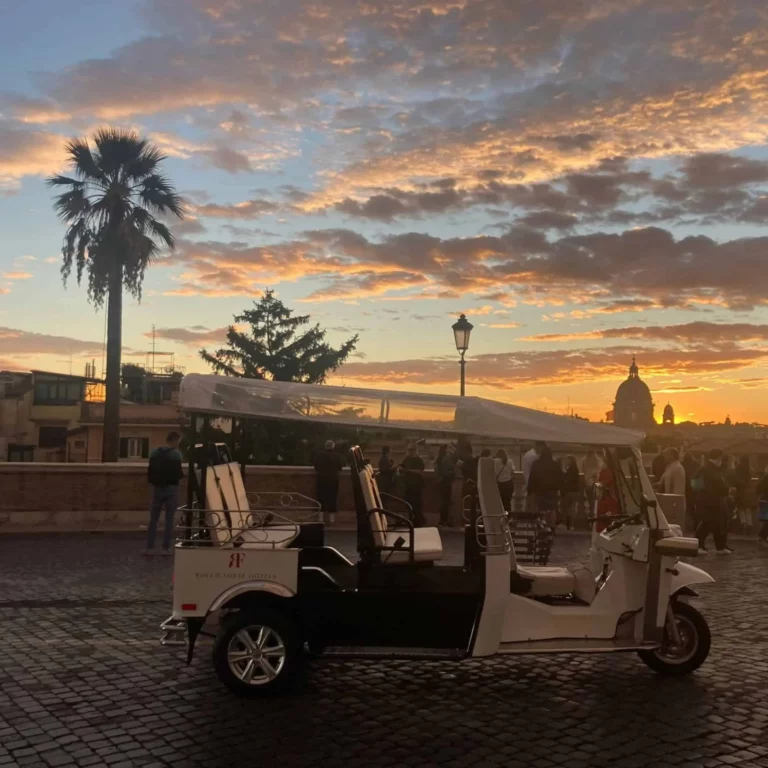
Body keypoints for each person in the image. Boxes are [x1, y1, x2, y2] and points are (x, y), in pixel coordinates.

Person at [145, 431, 184, 556]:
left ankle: (149, 548)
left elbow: (150, 470)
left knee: (153, 519)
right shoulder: (176, 454)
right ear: (175, 440)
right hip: (171, 489)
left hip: (157, 489)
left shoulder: (155, 452)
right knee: (169, 520)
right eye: (178, 441)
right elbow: (179, 474)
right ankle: (165, 548)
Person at [695, 448, 732, 555]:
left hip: (713, 501)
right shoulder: (710, 468)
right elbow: (719, 483)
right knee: (707, 524)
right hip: (712, 502)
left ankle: (719, 547)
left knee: (717, 525)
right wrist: (706, 493)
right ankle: (697, 546)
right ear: (719, 457)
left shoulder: (708, 468)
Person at [527, 445, 562, 529]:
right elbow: (560, 478)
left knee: (541, 509)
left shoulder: (536, 464)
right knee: (552, 509)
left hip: (540, 490)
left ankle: (542, 526)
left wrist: (530, 490)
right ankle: (552, 527)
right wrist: (560, 489)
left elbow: (532, 477)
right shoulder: (555, 464)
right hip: (552, 490)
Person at [314, 440, 343, 524]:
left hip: (322, 479)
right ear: (333, 446)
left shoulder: (319, 455)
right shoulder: (337, 456)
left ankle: (320, 519)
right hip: (333, 480)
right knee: (332, 498)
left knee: (320, 498)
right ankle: (332, 519)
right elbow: (340, 468)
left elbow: (316, 467)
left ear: (325, 446)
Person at [400, 442, 427, 527]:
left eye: (411, 450)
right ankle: (412, 520)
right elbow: (402, 468)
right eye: (409, 450)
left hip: (416, 486)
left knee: (416, 504)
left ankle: (420, 520)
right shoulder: (406, 459)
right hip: (408, 485)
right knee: (408, 504)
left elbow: (420, 471)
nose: (410, 451)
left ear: (415, 450)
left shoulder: (419, 460)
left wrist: (409, 471)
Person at [436, 444, 458, 527]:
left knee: (444, 502)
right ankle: (444, 520)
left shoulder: (440, 458)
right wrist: (454, 471)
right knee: (446, 502)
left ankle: (442, 520)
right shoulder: (446, 459)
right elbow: (447, 472)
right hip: (446, 483)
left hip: (441, 483)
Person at [522, 441, 545, 514]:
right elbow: (536, 471)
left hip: (529, 482)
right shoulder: (534, 456)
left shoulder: (528, 454)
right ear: (539, 446)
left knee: (529, 505)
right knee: (533, 506)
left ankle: (525, 521)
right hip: (533, 484)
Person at [732, 455, 753, 532]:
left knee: (741, 508)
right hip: (748, 491)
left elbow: (734, 477)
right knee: (748, 509)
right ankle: (750, 524)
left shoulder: (737, 468)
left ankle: (743, 522)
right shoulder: (750, 469)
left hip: (740, 490)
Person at [561, 455, 580, 530]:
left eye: (567, 460)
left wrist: (563, 468)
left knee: (565, 508)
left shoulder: (571, 470)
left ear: (571, 461)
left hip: (569, 491)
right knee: (573, 508)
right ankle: (572, 525)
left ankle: (565, 524)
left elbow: (565, 478)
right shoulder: (575, 469)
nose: (566, 461)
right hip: (576, 491)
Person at [582, 449, 603, 515]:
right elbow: (600, 470)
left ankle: (590, 512)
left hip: (587, 481)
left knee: (589, 499)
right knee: (595, 499)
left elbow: (583, 471)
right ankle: (593, 512)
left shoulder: (584, 461)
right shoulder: (598, 461)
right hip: (595, 481)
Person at [756, 466, 768, 546]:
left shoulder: (765, 477)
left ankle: (762, 536)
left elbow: (758, 488)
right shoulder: (766, 478)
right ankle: (762, 536)